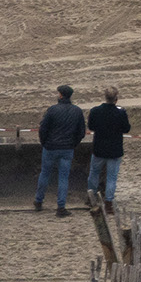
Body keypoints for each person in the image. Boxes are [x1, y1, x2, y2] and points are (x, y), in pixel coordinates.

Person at [34, 84, 83, 217]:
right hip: (67, 148)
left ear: (60, 95)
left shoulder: (52, 110)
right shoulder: (77, 111)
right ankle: (61, 207)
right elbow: (81, 132)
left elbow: (43, 129)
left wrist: (44, 143)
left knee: (45, 174)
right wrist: (73, 144)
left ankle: (38, 201)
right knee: (63, 177)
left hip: (50, 147)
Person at [86, 85, 130, 214]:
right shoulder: (120, 112)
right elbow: (126, 128)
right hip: (115, 149)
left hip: (99, 147)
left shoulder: (95, 111)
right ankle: (108, 203)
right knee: (111, 177)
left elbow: (91, 126)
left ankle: (91, 198)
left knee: (94, 173)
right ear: (116, 98)